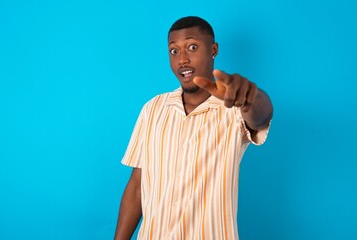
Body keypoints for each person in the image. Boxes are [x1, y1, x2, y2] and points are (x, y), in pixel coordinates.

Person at [114, 16, 273, 240]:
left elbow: (261, 116)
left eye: (192, 47)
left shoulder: (234, 108)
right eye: (174, 51)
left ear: (213, 50)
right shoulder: (152, 109)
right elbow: (137, 187)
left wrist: (251, 97)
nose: (182, 60)